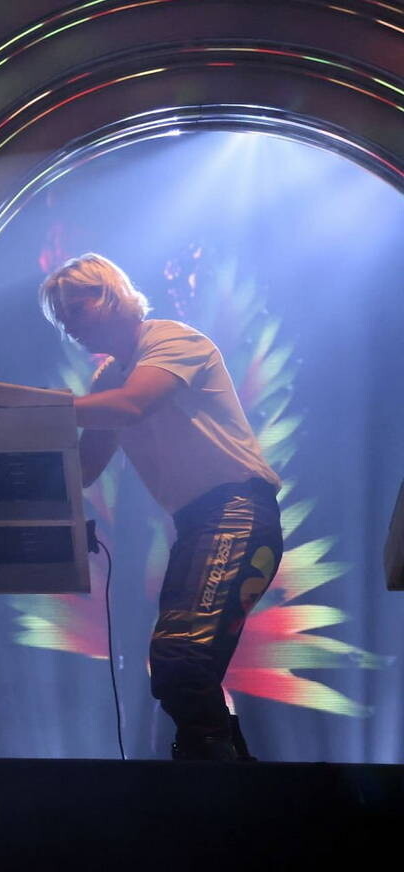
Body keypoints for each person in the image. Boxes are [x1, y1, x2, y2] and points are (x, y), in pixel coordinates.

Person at [39, 253, 283, 762]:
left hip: (236, 511)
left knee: (182, 657)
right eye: (60, 317)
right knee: (181, 664)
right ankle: (230, 773)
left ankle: (219, 778)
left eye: (74, 308)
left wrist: (40, 409)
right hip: (198, 524)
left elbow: (132, 406)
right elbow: (84, 469)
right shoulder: (109, 380)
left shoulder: (171, 340)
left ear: (110, 295)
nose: (68, 324)